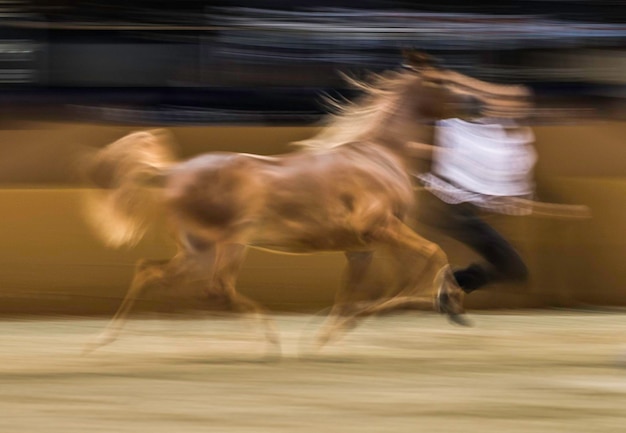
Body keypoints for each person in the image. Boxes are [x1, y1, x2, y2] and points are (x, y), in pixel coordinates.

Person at [407, 82, 537, 294]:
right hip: (457, 214)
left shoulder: (459, 132)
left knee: (512, 266)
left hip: (453, 213)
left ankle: (453, 283)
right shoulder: (470, 136)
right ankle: (452, 282)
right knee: (516, 269)